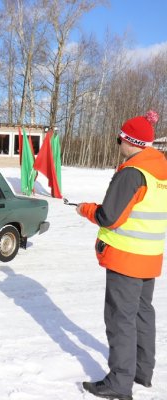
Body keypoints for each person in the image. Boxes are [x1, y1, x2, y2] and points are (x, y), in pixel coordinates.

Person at [76, 110, 167, 399]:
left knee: (120, 319)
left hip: (126, 258)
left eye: (119, 139)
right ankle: (142, 371)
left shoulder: (132, 173)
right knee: (142, 313)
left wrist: (86, 209)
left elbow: (109, 217)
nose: (118, 145)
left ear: (130, 142)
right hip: (150, 256)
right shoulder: (160, 170)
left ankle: (119, 382)